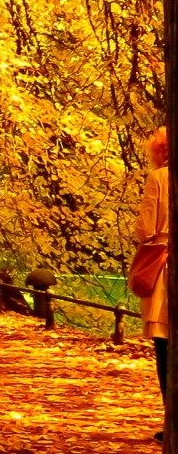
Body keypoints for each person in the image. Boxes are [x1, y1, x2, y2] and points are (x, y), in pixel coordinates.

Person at [136, 126, 169, 440]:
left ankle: (172, 419)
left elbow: (145, 228)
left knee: (165, 343)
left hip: (165, 263)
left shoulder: (159, 178)